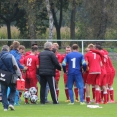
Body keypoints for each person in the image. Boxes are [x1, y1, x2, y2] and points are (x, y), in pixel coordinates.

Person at [0, 45, 22, 111]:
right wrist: (19, 75)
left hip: (2, 76)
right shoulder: (10, 56)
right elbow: (15, 66)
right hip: (11, 76)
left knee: (4, 92)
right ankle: (11, 103)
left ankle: (5, 107)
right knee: (13, 89)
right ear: (8, 50)